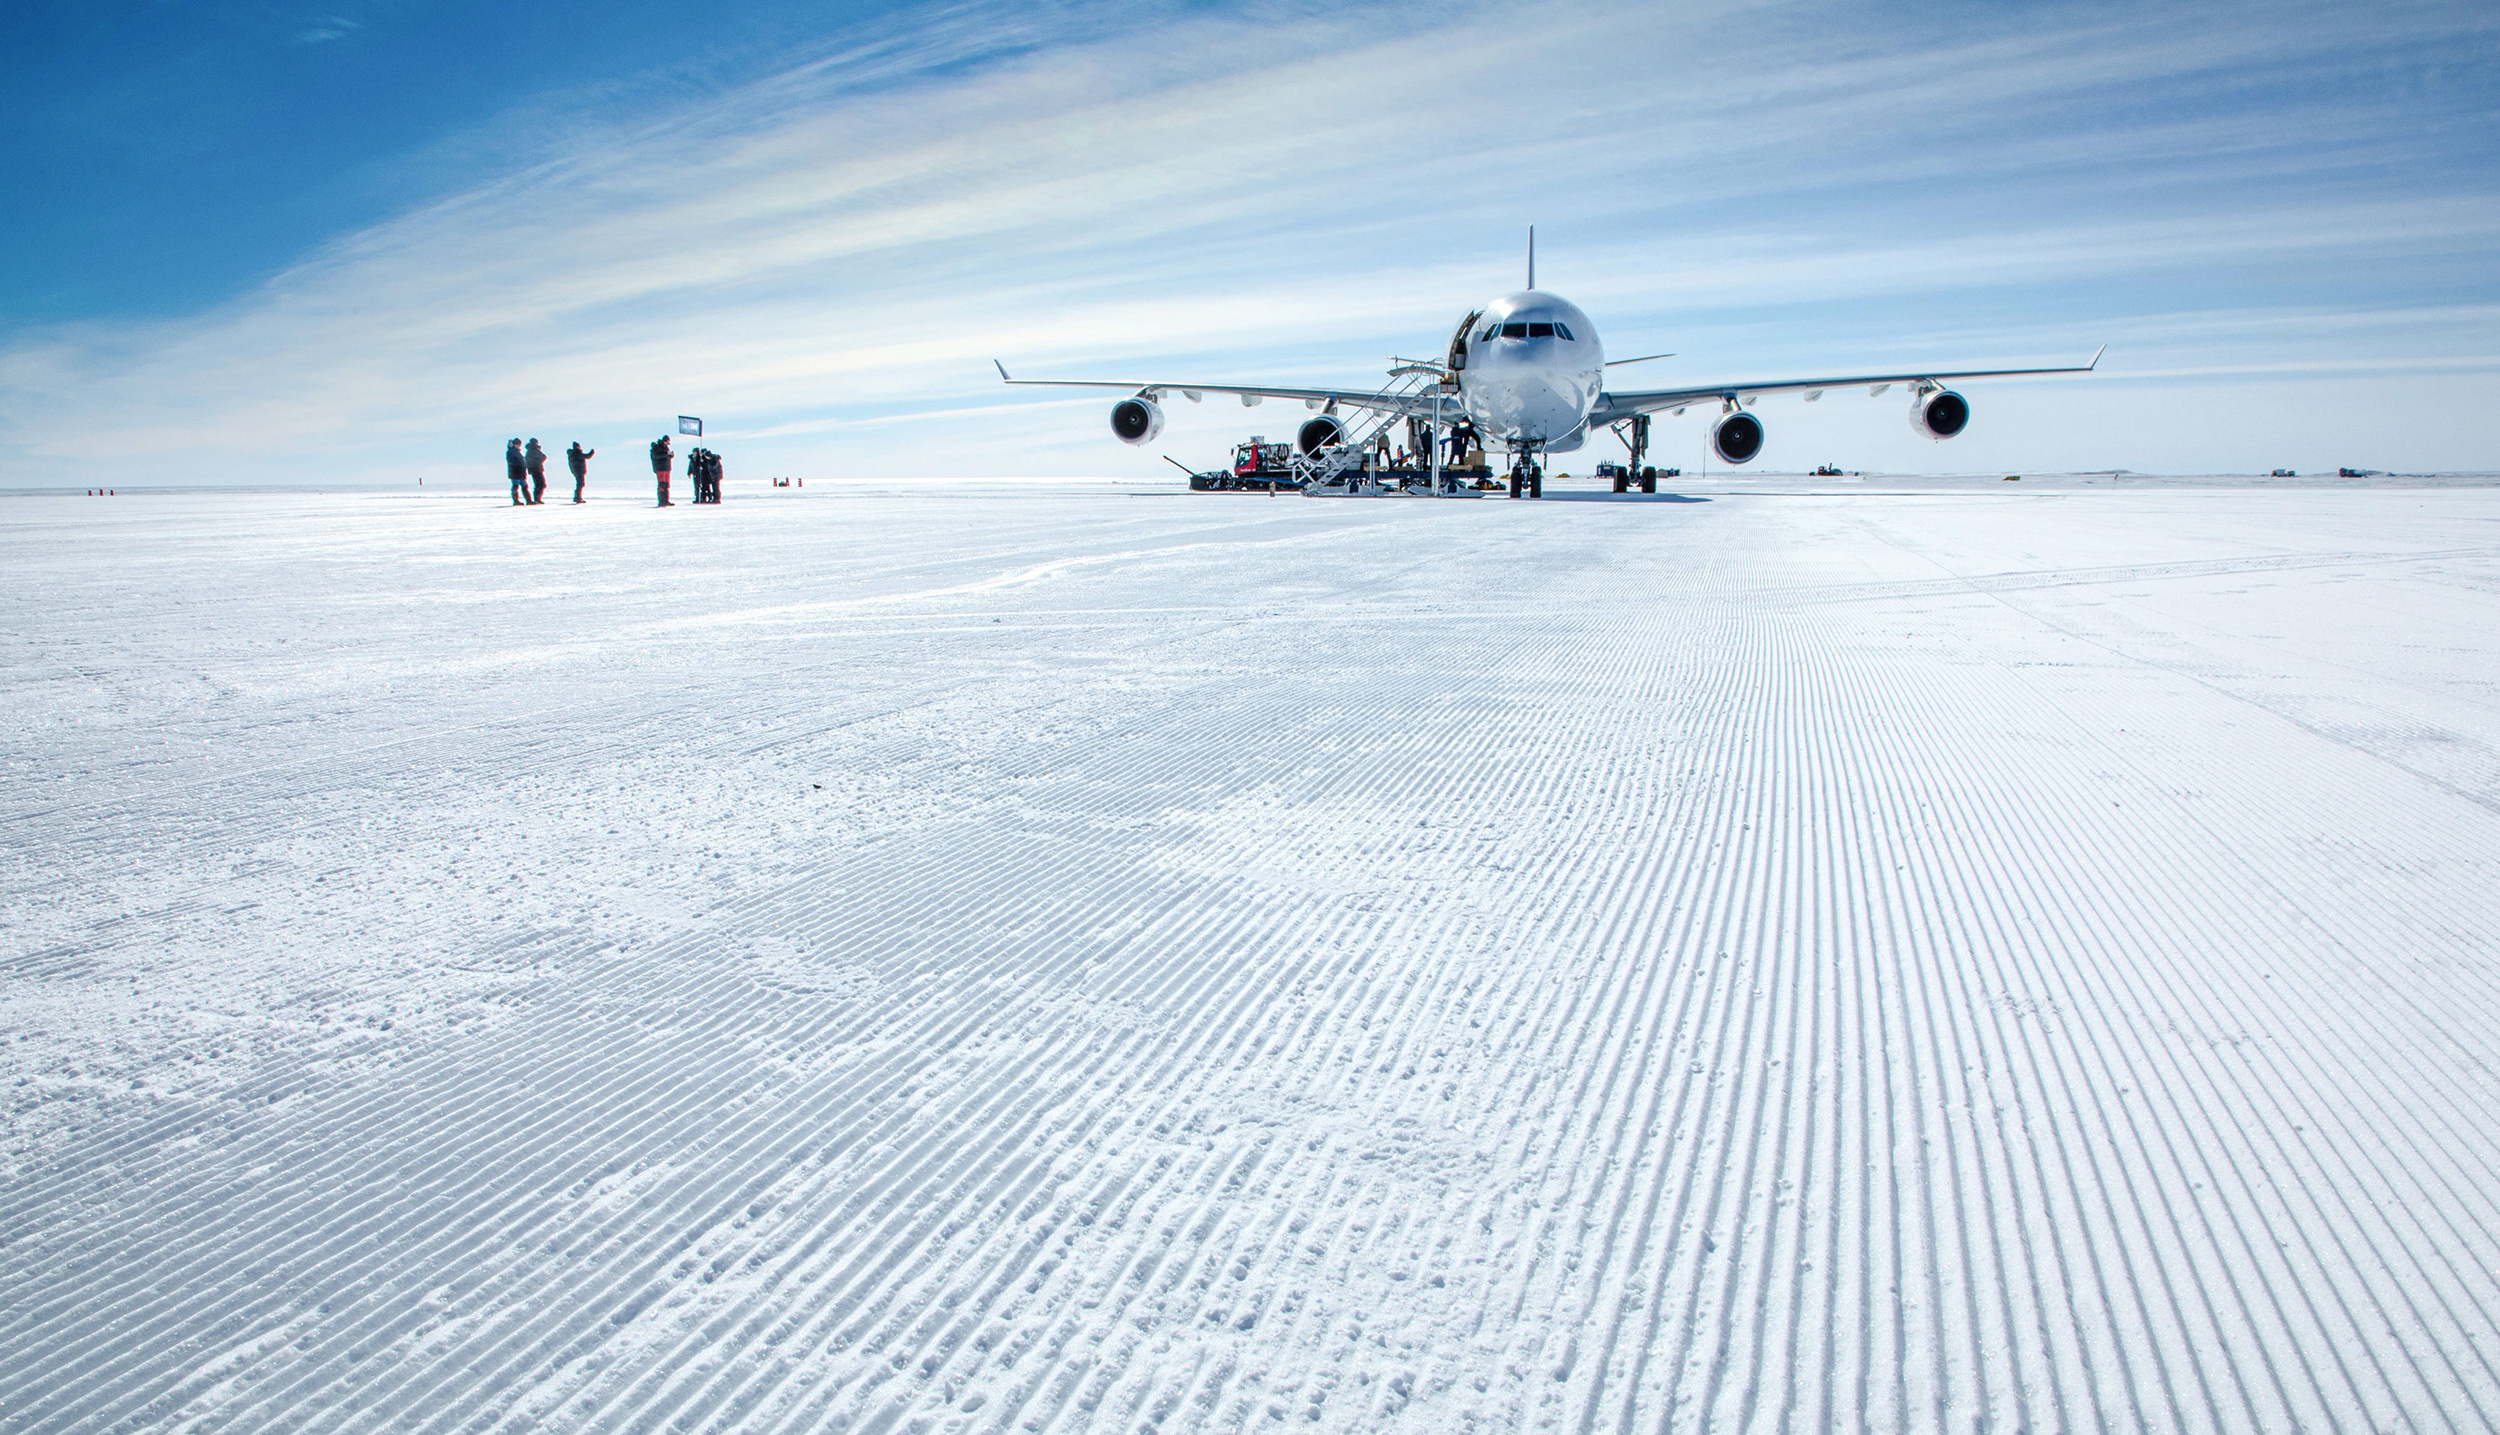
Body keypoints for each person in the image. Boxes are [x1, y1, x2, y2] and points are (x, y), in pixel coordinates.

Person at [650, 435, 673, 506]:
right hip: (660, 468)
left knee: (666, 485)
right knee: (662, 485)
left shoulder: (665, 448)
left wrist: (670, 455)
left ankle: (666, 500)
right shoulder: (657, 447)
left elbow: (665, 456)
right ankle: (661, 501)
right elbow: (656, 456)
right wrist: (666, 454)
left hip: (666, 468)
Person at [524, 439, 548, 504]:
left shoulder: (529, 451)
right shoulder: (534, 450)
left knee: (539, 484)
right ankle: (537, 498)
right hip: (537, 469)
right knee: (541, 484)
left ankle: (537, 498)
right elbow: (543, 457)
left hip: (533, 470)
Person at [506, 439, 528, 505]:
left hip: (521, 472)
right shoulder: (511, 452)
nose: (519, 446)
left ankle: (528, 500)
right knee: (516, 486)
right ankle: (516, 501)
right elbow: (511, 461)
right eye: (518, 444)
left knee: (524, 486)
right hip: (515, 472)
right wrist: (520, 465)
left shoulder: (517, 452)